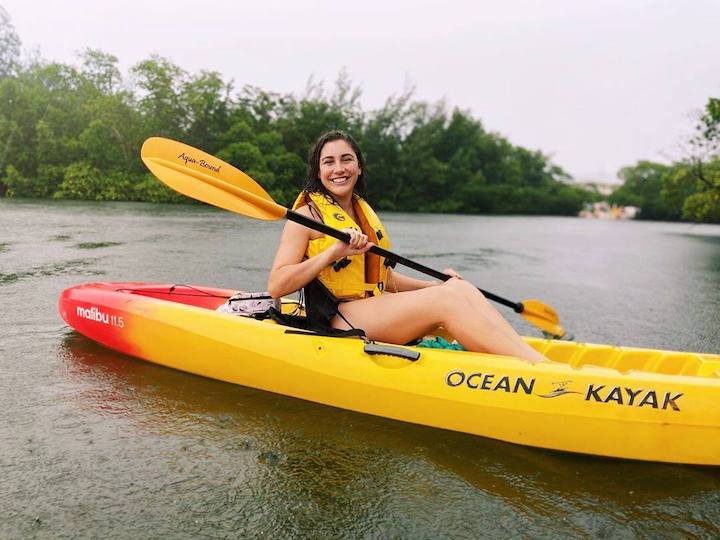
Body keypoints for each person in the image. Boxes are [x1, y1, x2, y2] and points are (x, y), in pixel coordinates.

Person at [268, 130, 546, 363]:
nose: (338, 169)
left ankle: (532, 361)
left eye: (346, 159)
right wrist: (332, 253)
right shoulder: (305, 218)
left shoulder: (361, 214)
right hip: (337, 316)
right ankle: (540, 371)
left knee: (459, 289)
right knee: (447, 300)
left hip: (373, 308)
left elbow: (384, 279)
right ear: (319, 171)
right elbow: (277, 285)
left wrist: (440, 286)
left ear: (359, 166)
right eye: (328, 162)